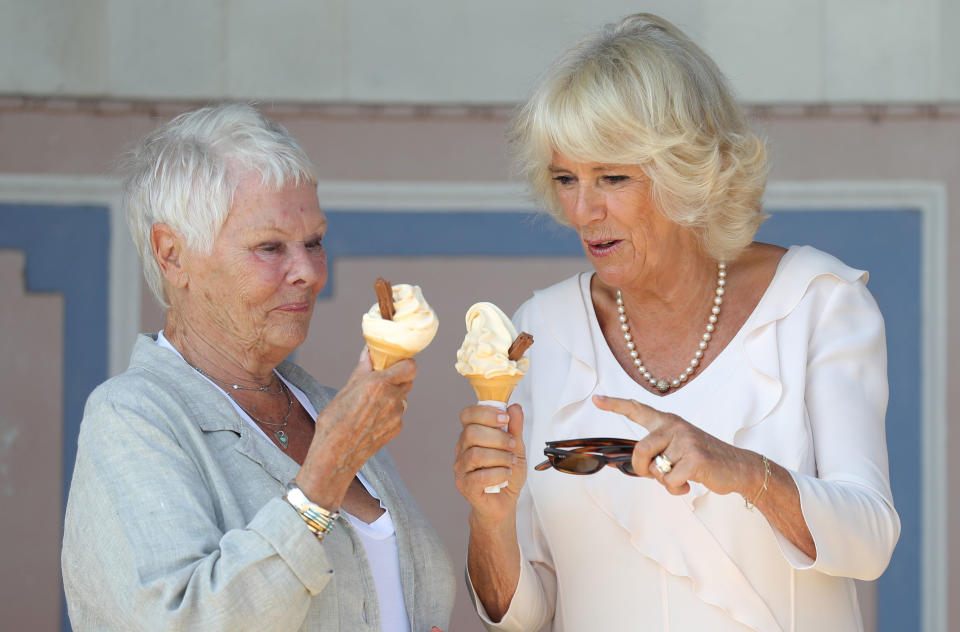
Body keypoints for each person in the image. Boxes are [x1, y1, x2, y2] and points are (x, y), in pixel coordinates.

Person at [453, 13, 900, 631]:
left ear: (688, 172)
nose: (584, 211)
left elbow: (870, 538)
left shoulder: (815, 302)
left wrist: (738, 469)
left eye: (612, 178)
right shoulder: (543, 330)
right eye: (566, 179)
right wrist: (489, 521)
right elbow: (524, 617)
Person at [61, 103, 454, 631]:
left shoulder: (322, 405)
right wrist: (323, 477)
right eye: (270, 247)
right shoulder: (133, 416)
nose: (310, 273)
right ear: (173, 254)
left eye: (313, 242)